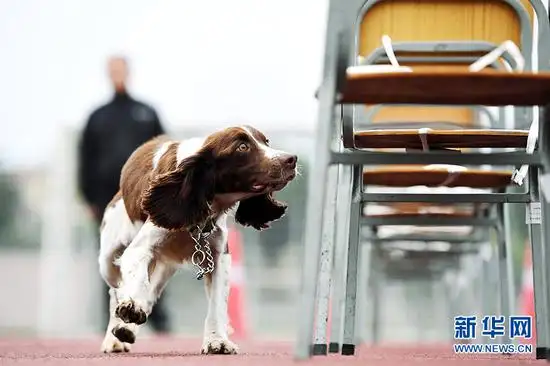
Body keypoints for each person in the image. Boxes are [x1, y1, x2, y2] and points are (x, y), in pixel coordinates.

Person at [77, 55, 171, 334]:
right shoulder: (97, 116)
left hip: (144, 197)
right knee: (110, 256)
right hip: (107, 199)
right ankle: (112, 319)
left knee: (152, 254)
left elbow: (163, 151)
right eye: (113, 70)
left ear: (128, 72)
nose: (117, 74)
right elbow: (85, 159)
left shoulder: (146, 112)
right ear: (108, 74)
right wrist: (88, 198)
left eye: (121, 69)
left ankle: (157, 319)